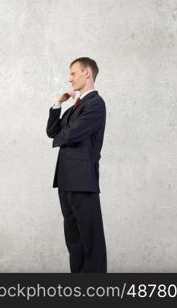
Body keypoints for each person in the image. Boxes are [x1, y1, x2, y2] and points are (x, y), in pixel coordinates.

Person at [46, 57, 107, 272]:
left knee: (91, 241)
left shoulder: (95, 104)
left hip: (82, 180)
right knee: (74, 241)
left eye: (73, 73)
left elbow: (70, 135)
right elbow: (52, 132)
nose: (69, 78)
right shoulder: (75, 107)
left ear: (87, 73)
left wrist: (62, 136)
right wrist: (58, 104)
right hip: (66, 180)